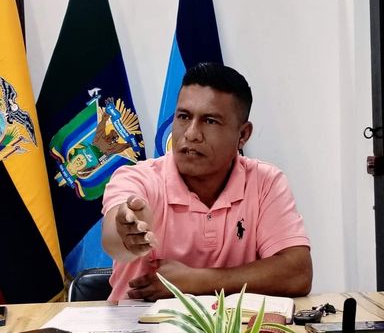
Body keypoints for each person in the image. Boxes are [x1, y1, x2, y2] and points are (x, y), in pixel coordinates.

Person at [102, 62, 312, 301]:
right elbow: (113, 239)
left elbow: (298, 273)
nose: (191, 133)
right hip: (137, 324)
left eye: (210, 121)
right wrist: (127, 234)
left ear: (243, 134)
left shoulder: (265, 182)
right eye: (183, 117)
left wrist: (195, 281)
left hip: (232, 325)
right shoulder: (138, 179)